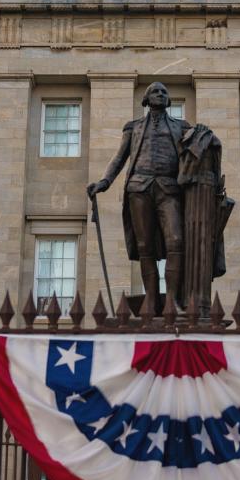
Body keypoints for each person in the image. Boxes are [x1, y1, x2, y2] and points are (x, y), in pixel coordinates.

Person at [87, 82, 190, 311]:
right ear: (146, 99)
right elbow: (119, 158)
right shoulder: (133, 127)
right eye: (156, 91)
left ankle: (172, 300)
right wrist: (104, 182)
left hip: (169, 188)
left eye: (165, 91)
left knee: (176, 241)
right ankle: (151, 300)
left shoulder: (182, 127)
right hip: (139, 187)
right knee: (145, 246)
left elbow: (195, 156)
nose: (161, 94)